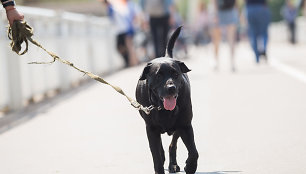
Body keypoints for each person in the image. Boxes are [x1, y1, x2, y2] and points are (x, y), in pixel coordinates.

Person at [103, 0, 139, 67]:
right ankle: (132, 61)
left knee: (125, 47)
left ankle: (130, 61)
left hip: (122, 30)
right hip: (127, 28)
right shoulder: (117, 7)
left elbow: (112, 20)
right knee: (128, 46)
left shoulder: (111, 8)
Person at [211, 0, 239, 72]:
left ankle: (217, 61)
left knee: (217, 39)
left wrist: (215, 13)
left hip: (221, 11)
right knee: (230, 39)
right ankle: (232, 63)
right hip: (229, 11)